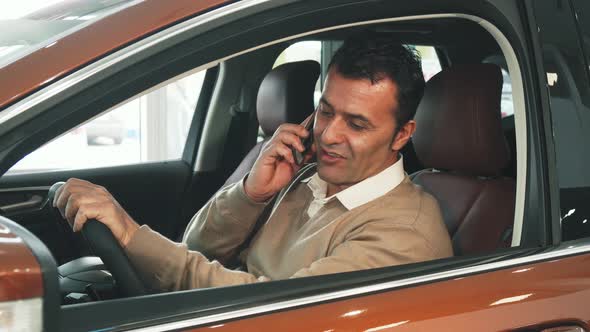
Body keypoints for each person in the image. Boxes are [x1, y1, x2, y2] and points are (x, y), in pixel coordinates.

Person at [54, 32, 453, 292]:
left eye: (357, 123)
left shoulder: (404, 234)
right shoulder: (305, 175)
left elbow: (266, 307)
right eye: (326, 111)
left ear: (402, 134)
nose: (329, 134)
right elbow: (195, 248)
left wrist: (128, 234)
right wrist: (251, 195)